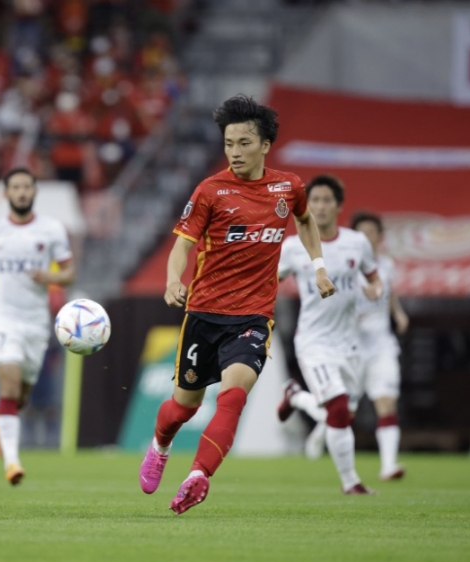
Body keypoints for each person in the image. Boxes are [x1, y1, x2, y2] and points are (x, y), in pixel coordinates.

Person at [138, 95, 336, 515]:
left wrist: (319, 266)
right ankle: (160, 445)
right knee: (182, 408)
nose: (235, 152)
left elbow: (304, 220)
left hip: (252, 317)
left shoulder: (288, 187)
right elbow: (182, 246)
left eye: (244, 143)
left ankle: (198, 476)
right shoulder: (211, 190)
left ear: (265, 145)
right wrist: (174, 279)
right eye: (229, 143)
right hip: (203, 314)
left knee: (233, 396)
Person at [0, 167, 75, 485]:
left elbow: (69, 273)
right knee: (9, 387)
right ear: (6, 193)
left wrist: (50, 277)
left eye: (27, 186)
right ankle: (12, 462)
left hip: (36, 323)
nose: (22, 192)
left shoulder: (51, 230)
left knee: (20, 396)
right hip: (3, 318)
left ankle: (1, 418)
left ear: (35, 192)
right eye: (16, 187)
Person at [276, 174, 383, 495]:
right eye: (315, 200)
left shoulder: (357, 243)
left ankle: (295, 396)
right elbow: (269, 282)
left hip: (350, 344)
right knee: (336, 409)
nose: (320, 207)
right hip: (314, 341)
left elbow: (374, 277)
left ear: (338, 206)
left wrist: (376, 290)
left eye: (326, 200)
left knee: (343, 414)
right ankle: (351, 483)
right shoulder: (294, 248)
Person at [352, 211, 409, 480]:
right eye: (362, 233)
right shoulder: (345, 264)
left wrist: (397, 312)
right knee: (341, 409)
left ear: (379, 237)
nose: (367, 238)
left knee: (386, 402)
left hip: (381, 344)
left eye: (372, 233)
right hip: (350, 344)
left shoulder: (386, 264)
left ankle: (389, 465)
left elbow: (390, 292)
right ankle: (304, 408)